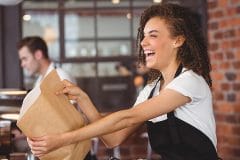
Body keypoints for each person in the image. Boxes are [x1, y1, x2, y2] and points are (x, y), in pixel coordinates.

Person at [28, 4, 220, 160]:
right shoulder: (152, 90)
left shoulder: (190, 81)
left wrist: (62, 140)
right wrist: (83, 99)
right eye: (143, 35)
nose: (143, 42)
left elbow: (127, 117)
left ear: (177, 40)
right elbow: (113, 138)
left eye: (153, 35)